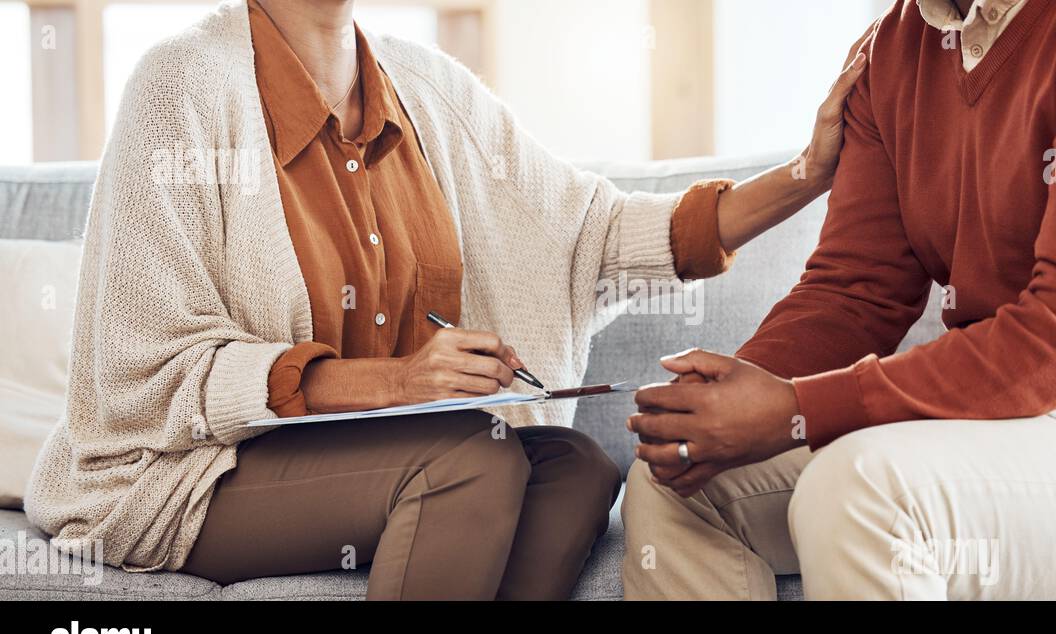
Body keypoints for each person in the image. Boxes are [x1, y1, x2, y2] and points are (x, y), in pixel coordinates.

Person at [25, 0, 865, 600]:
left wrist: (807, 174)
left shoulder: (428, 90)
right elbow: (146, 370)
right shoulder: (178, 87)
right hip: (181, 471)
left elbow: (597, 235)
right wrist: (399, 382)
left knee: (576, 466)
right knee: (469, 459)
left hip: (382, 458)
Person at [623, 0, 1056, 601]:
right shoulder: (896, 47)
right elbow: (853, 292)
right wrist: (717, 406)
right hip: (1012, 424)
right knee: (672, 482)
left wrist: (796, 411)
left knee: (860, 493)